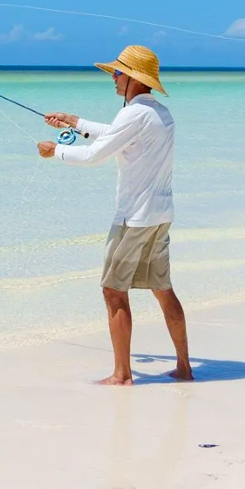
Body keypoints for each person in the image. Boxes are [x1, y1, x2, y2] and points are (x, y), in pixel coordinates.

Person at [37, 45, 192, 385]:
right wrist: (73, 122)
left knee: (113, 290)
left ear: (134, 78)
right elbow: (117, 135)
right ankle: (184, 367)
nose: (113, 78)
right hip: (160, 215)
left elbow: (95, 155)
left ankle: (122, 375)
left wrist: (57, 151)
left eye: (117, 73)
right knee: (163, 289)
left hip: (134, 219)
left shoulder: (134, 114)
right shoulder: (160, 113)